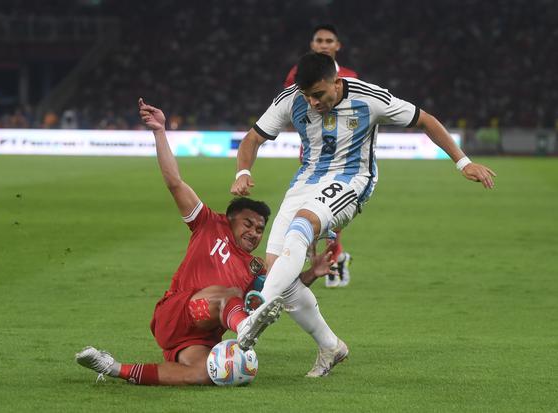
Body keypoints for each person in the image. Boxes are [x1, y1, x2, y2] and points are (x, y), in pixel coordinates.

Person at [231, 52, 496, 376]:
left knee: (303, 225)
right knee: (279, 273)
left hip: (351, 180)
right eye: (307, 97)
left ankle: (253, 316)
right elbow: (253, 137)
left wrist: (463, 162)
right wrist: (242, 172)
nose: (313, 103)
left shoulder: (370, 98)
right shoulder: (290, 99)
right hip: (305, 181)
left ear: (337, 82)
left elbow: (424, 119)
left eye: (319, 95)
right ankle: (330, 346)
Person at [75, 98, 336, 386]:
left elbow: (283, 289)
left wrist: (312, 272)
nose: (254, 233)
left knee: (206, 375)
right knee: (228, 293)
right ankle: (246, 325)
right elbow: (175, 182)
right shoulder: (209, 224)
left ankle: (113, 367)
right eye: (248, 224)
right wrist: (160, 131)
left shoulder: (255, 266)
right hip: (178, 311)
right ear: (229, 219)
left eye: (260, 229)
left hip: (199, 337)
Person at [284, 24, 357, 288]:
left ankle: (334, 257)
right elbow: (292, 108)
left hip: (343, 159)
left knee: (329, 216)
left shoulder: (350, 76)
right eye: (319, 40)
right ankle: (323, 262)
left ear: (338, 46)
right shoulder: (297, 75)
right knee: (310, 212)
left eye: (329, 41)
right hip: (312, 155)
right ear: (312, 45)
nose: (324, 45)